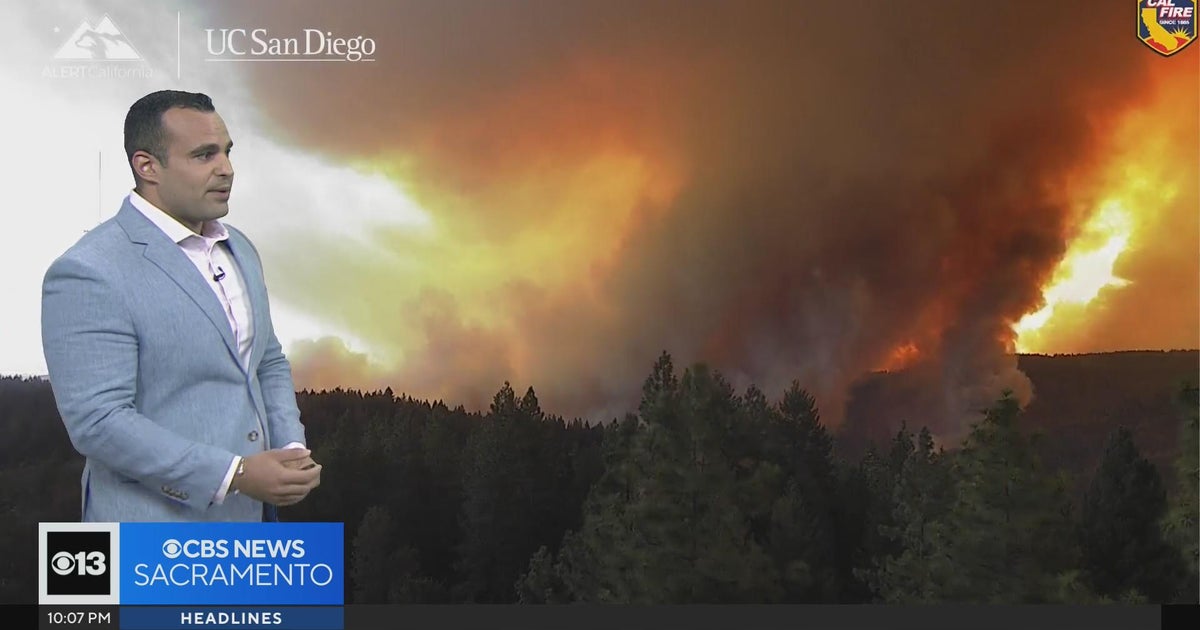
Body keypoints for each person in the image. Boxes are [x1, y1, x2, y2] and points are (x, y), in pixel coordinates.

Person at [40, 90, 322, 522]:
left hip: (252, 527)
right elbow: (99, 422)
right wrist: (236, 474)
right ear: (147, 166)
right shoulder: (88, 270)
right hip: (150, 533)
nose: (226, 169)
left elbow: (266, 360)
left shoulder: (240, 248)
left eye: (227, 152)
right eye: (204, 155)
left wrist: (290, 448)